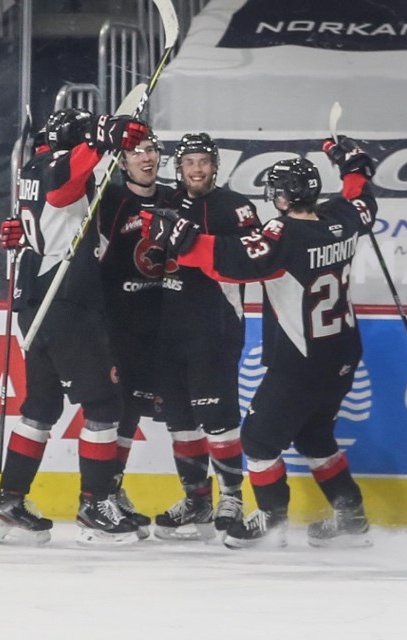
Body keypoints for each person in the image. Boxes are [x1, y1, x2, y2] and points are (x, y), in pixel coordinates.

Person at [141, 138, 379, 548]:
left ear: (283, 198)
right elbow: (361, 198)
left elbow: (230, 263)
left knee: (258, 440)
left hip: (301, 358)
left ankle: (272, 520)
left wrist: (181, 236)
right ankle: (351, 515)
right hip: (342, 353)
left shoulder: (284, 234)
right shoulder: (341, 217)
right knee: (314, 435)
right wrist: (353, 163)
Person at [0, 107, 149, 546]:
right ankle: (95, 505)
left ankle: (10, 502)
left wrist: (106, 139)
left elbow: (49, 217)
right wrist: (104, 136)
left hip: (35, 304)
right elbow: (63, 188)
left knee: (40, 406)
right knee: (104, 405)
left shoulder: (32, 166)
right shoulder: (58, 165)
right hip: (67, 306)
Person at [150, 133, 261, 542]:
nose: (197, 169)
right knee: (180, 422)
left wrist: (199, 243)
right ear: (178, 167)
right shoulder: (164, 203)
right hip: (168, 329)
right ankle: (196, 499)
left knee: (218, 419)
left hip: (215, 327)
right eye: (190, 162)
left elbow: (254, 260)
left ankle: (232, 496)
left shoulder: (237, 208)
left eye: (204, 162)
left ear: (216, 166)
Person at [96, 128, 176, 539]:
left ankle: (115, 486)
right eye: (136, 152)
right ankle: (103, 492)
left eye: (151, 151)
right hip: (118, 323)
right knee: (118, 409)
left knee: (146, 409)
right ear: (122, 161)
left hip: (161, 322)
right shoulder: (108, 200)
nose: (146, 158)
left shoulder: (172, 198)